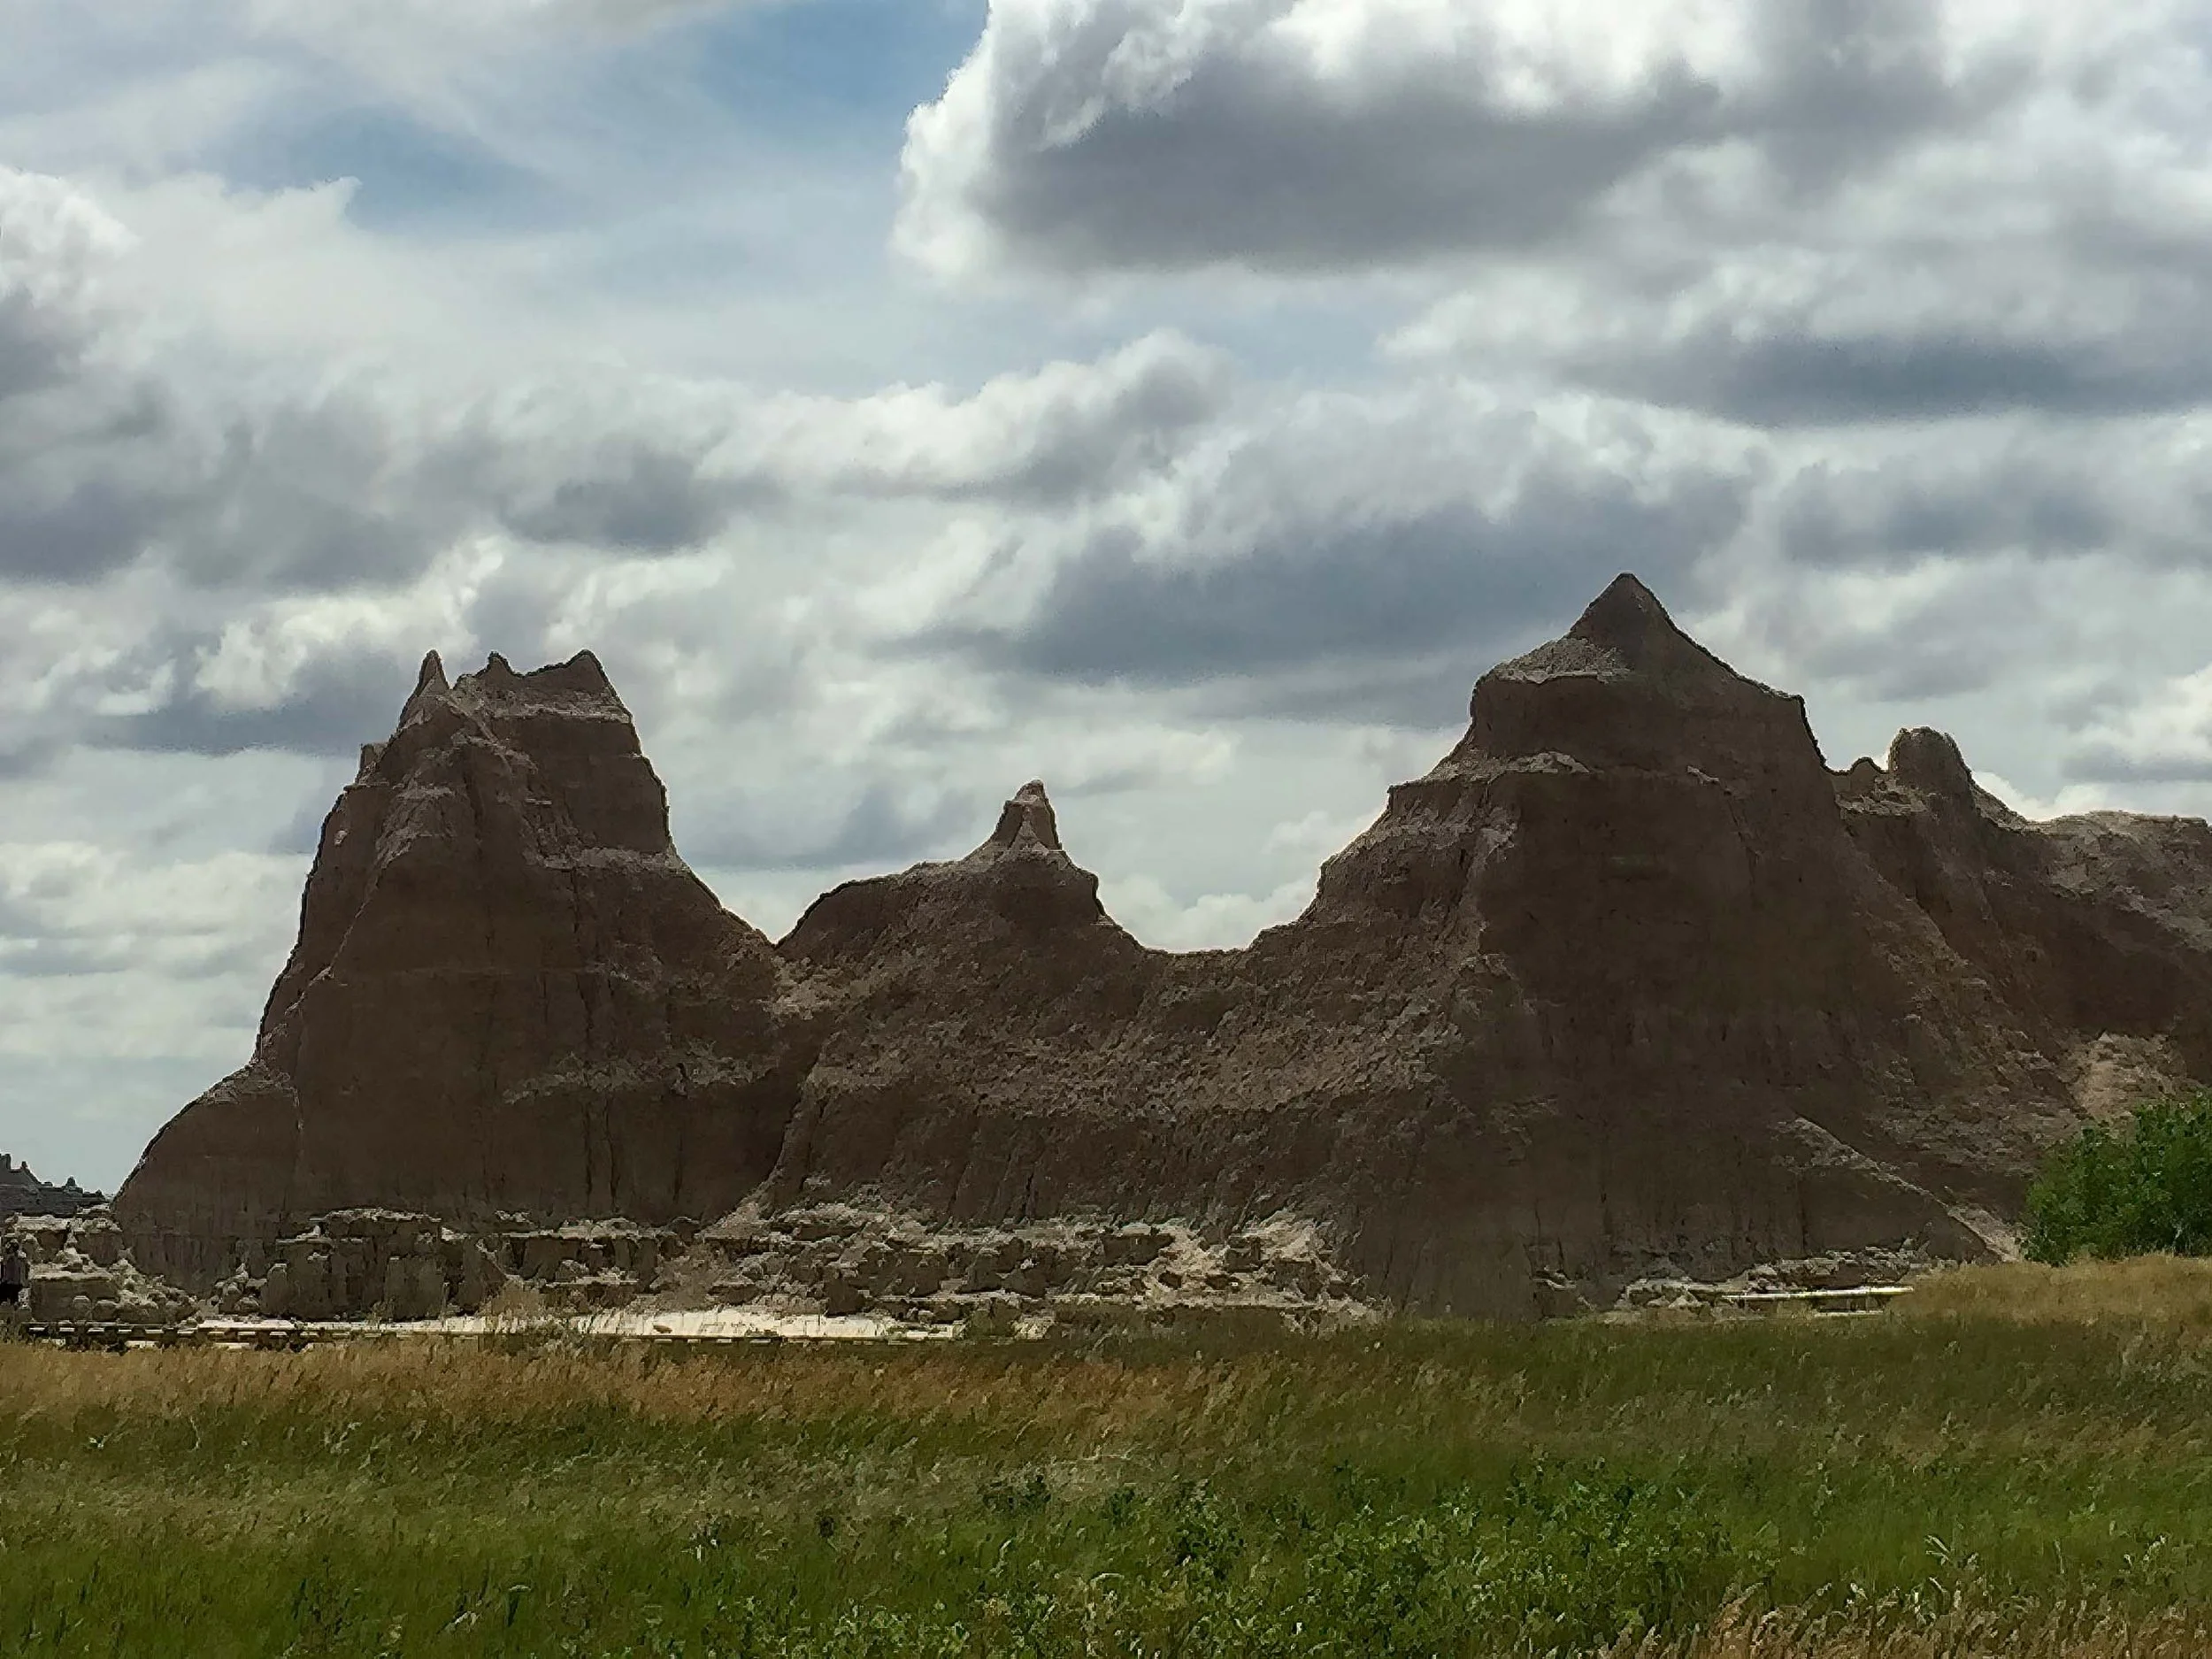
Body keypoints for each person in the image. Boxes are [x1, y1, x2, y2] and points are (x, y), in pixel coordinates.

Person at [0, 1237, 28, 1314]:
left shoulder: (17, 1258)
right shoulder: (19, 1257)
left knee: (12, 1300)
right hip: (11, 1282)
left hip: (13, 1282)